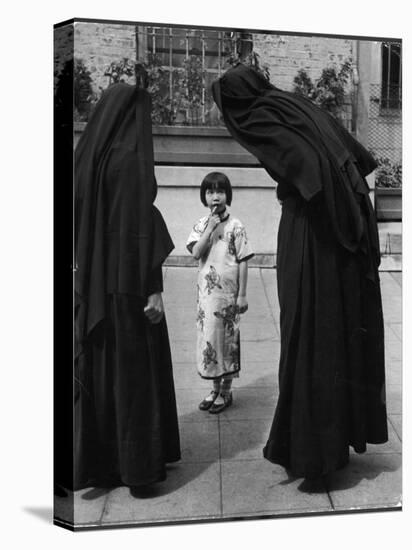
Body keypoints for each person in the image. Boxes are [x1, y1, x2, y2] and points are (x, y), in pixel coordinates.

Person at [212, 63, 388, 478]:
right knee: (330, 329)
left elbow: (310, 173)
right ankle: (327, 444)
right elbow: (343, 162)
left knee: (309, 331)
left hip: (313, 232)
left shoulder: (265, 115)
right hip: (338, 230)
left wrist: (297, 194)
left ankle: (313, 450)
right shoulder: (294, 107)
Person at [74, 79, 181, 492]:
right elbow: (139, 226)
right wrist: (153, 286)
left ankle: (104, 465)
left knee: (104, 373)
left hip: (98, 285)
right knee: (135, 376)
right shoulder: (131, 158)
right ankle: (138, 467)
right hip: (130, 286)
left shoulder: (90, 158)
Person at [186, 172, 254, 413]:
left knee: (227, 341)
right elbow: (196, 253)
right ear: (204, 196)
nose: (215, 196)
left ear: (228, 195)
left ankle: (226, 391)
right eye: (210, 192)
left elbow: (244, 260)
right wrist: (210, 228)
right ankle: (214, 388)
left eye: (220, 191)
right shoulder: (200, 224)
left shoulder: (236, 226)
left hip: (228, 296)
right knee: (209, 340)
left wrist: (242, 294)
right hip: (206, 297)